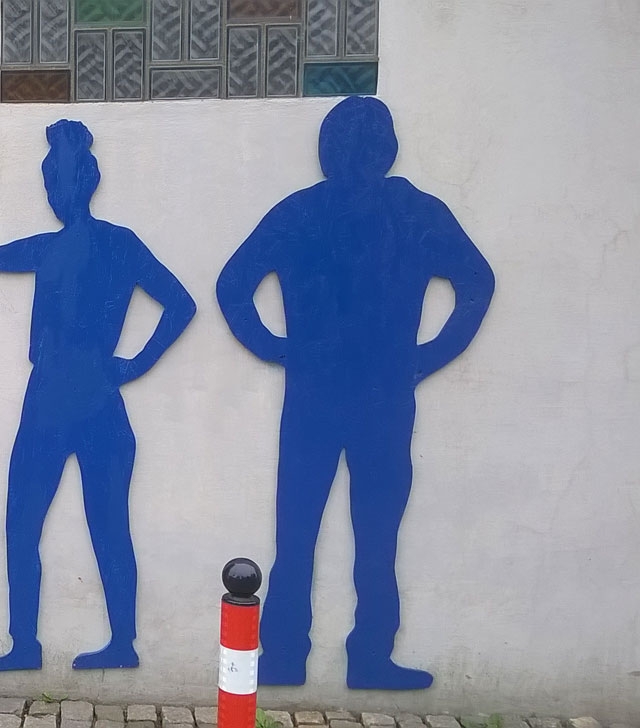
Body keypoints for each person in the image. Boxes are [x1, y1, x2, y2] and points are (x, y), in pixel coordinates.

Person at [216, 97, 495, 690]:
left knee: (313, 532)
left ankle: (299, 656)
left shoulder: (309, 211)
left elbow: (233, 285)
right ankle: (349, 656)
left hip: (336, 394)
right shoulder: (410, 211)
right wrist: (425, 356)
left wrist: (277, 347)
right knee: (362, 535)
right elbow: (476, 281)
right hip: (372, 393)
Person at [0, 119, 196, 672]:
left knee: (69, 525)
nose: (52, 191)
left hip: (71, 401)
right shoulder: (87, 245)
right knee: (62, 524)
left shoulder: (92, 246)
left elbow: (181, 304)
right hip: (73, 399)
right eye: (49, 180)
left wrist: (137, 363)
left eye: (55, 179)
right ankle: (40, 645)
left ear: (78, 183)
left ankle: (101, 643)